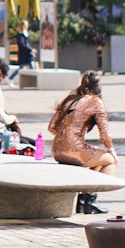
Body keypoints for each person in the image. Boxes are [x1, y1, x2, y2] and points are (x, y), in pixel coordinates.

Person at [48, 71, 116, 214]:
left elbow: (52, 127)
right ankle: (90, 200)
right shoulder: (96, 101)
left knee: (98, 162)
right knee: (110, 161)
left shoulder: (71, 99)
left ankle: (81, 200)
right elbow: (105, 134)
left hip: (56, 150)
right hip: (75, 150)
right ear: (98, 87)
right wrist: (111, 150)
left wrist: (66, 136)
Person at [9, 19, 34, 83]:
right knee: (21, 68)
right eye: (25, 25)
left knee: (31, 66)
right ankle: (11, 78)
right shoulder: (20, 34)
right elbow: (22, 44)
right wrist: (30, 49)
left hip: (28, 54)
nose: (26, 27)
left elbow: (28, 43)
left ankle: (32, 81)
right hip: (23, 54)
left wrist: (31, 49)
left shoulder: (26, 33)